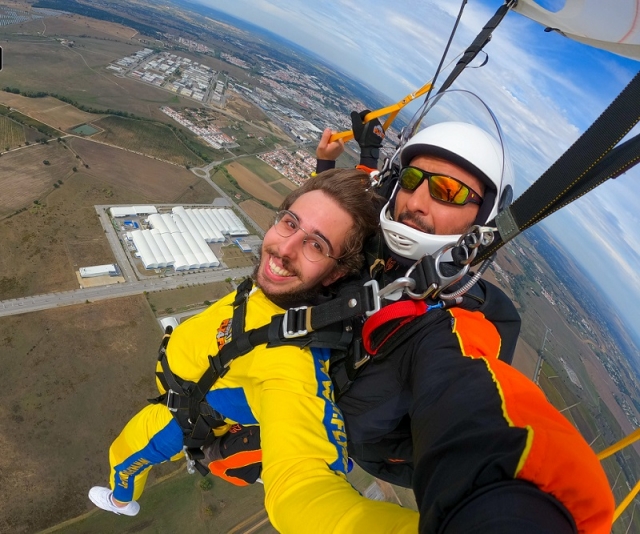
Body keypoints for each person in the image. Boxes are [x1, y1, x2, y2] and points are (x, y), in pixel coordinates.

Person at [316, 106, 615, 533]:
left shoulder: (455, 325)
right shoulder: (377, 243)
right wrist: (348, 156)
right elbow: (352, 213)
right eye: (412, 180)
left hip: (344, 440)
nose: (416, 202)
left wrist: (510, 510)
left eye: (449, 192)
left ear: (483, 219)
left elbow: (472, 407)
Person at [88, 168, 420, 533]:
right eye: (291, 223)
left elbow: (304, 488)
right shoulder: (287, 290)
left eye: (316, 245)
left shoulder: (291, 360)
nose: (285, 249)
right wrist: (327, 166)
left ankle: (122, 502)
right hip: (187, 375)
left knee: (123, 456)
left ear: (335, 274)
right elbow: (314, 225)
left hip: (180, 412)